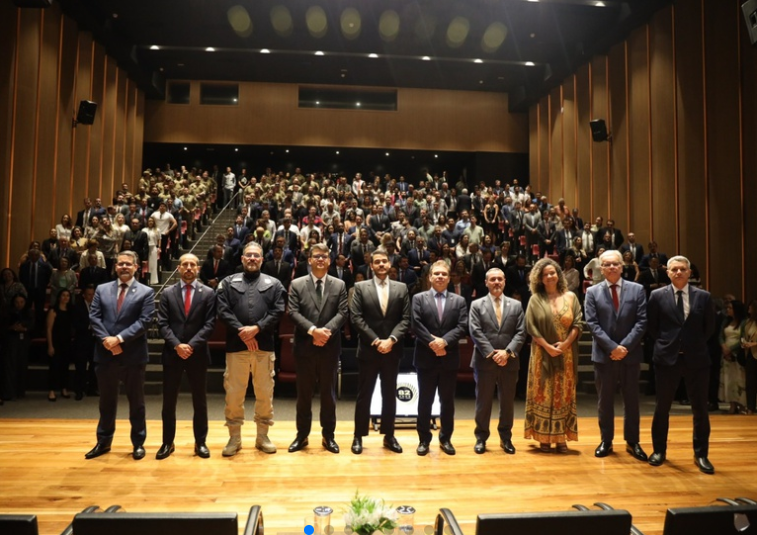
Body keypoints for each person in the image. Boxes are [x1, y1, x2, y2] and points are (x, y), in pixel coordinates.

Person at [647, 255, 716, 474]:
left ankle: (701, 454)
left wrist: (691, 344)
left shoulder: (704, 297)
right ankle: (659, 451)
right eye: (674, 269)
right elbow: (652, 327)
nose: (678, 272)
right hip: (667, 359)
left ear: (690, 273)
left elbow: (709, 328)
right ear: (667, 272)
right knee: (662, 408)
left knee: (700, 409)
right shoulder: (657, 296)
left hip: (697, 358)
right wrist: (669, 343)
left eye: (683, 269)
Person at [216, 242, 286, 456]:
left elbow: (278, 311)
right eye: (249, 255)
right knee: (234, 395)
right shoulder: (228, 283)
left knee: (264, 394)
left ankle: (262, 436)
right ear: (242, 259)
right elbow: (222, 310)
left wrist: (256, 329)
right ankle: (234, 438)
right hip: (236, 346)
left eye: (256, 255)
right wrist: (243, 332)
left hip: (263, 347)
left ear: (262, 259)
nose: (252, 258)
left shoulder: (274, 284)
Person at [86, 250, 155, 460]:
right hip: (105, 354)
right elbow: (94, 317)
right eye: (120, 264)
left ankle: (138, 443)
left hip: (133, 355)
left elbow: (145, 321)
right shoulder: (102, 289)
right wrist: (107, 341)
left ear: (136, 267)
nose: (124, 267)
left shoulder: (146, 292)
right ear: (115, 267)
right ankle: (103, 441)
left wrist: (118, 339)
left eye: (128, 264)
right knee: (106, 402)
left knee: (137, 403)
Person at [584, 250, 648, 461]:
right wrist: (612, 348)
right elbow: (592, 323)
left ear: (622, 267)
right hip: (604, 356)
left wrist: (624, 347)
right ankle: (606, 440)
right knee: (605, 401)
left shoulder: (637, 290)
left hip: (630, 355)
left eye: (615, 264)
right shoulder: (592, 292)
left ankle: (633, 441)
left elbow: (641, 322)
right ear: (601, 269)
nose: (611, 267)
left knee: (632, 400)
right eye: (607, 264)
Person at [286, 243, 349, 454]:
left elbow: (343, 313)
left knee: (328, 396)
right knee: (304, 396)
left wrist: (324, 333)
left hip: (329, 347)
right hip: (305, 348)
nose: (320, 259)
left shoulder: (339, 285)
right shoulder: (297, 284)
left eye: (324, 256)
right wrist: (314, 331)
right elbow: (293, 312)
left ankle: (328, 436)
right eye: (316, 256)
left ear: (329, 261)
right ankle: (302, 435)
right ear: (309, 260)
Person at [350, 247, 411, 455]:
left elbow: (405, 319)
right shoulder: (360, 287)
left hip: (392, 350)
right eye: (377, 262)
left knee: (389, 395)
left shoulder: (401, 288)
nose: (381, 264)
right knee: (364, 395)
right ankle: (358, 436)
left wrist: (391, 340)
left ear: (390, 263)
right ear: (371, 265)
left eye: (384, 261)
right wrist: (377, 341)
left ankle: (389, 435)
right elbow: (356, 318)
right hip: (369, 349)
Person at [156, 253, 217, 459]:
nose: (189, 267)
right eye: (185, 264)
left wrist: (190, 345)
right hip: (172, 354)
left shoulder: (208, 293)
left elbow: (209, 324)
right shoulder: (167, 293)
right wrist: (177, 345)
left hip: (197, 354)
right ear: (179, 268)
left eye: (192, 264)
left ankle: (200, 442)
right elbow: (162, 324)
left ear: (198, 269)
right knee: (168, 402)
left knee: (200, 401)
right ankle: (167, 442)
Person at [524, 258, 582, 453]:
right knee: (543, 393)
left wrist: (565, 345)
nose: (549, 276)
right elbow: (531, 327)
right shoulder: (535, 299)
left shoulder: (571, 297)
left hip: (566, 355)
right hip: (542, 354)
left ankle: (561, 438)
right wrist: (548, 346)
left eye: (552, 273)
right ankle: (544, 438)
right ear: (539, 278)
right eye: (545, 274)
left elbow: (578, 324)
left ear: (559, 275)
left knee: (564, 394)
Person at [411, 260, 468, 456]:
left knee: (447, 402)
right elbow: (416, 324)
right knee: (425, 401)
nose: (440, 277)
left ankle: (446, 439)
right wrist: (434, 343)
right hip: (426, 358)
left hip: (448, 358)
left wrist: (444, 342)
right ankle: (423, 440)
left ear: (449, 278)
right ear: (430, 277)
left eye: (444, 274)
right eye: (437, 274)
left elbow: (462, 326)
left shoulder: (459, 301)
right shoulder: (418, 298)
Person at [468, 267, 526, 455]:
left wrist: (507, 352)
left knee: (507, 403)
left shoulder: (516, 305)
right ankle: (481, 438)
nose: (496, 282)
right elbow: (475, 331)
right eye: (492, 279)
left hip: (509, 362)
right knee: (483, 402)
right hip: (485, 361)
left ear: (505, 281)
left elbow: (521, 332)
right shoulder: (476, 305)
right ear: (486, 282)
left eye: (500, 279)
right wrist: (493, 353)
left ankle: (506, 438)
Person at [1, 294, 33, 400]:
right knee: (11, 367)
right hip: (11, 341)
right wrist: (12, 327)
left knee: (22, 365)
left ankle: (20, 391)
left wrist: (24, 329)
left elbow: (32, 326)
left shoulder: (29, 312)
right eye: (17, 302)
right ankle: (10, 392)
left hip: (24, 341)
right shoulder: (8, 313)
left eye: (22, 302)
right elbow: (3, 326)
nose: (19, 304)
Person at [718, 299, 747, 415]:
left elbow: (743, 339)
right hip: (726, 354)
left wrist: (731, 349)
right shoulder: (726, 321)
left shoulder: (743, 322)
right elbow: (720, 336)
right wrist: (724, 346)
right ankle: (732, 405)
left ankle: (741, 404)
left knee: (738, 380)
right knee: (728, 380)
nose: (728, 310)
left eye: (730, 308)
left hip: (737, 355)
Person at [46, 288, 74, 402]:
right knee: (54, 366)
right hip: (55, 342)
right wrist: (50, 345)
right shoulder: (53, 311)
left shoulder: (70, 311)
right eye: (63, 295)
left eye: (68, 295)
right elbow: (49, 329)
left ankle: (64, 388)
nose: (65, 297)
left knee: (65, 366)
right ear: (59, 297)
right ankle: (51, 390)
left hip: (67, 342)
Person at [72, 284, 97, 400]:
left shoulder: (98, 306)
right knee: (81, 366)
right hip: (82, 340)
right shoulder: (78, 307)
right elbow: (75, 323)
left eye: (93, 294)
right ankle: (79, 390)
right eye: (89, 294)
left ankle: (92, 389)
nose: (91, 297)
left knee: (94, 365)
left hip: (94, 340)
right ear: (84, 295)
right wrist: (88, 327)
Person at [741, 300, 757, 415]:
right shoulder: (748, 322)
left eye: (750, 308)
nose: (748, 310)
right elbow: (745, 335)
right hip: (750, 355)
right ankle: (750, 408)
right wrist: (744, 343)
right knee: (750, 382)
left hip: (755, 351)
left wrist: (754, 344)